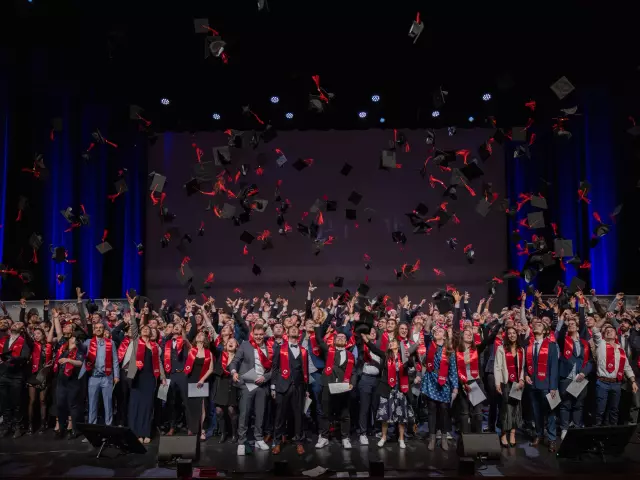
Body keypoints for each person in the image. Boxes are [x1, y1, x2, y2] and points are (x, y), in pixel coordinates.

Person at [313, 313, 356, 450]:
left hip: (343, 387)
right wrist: (330, 315)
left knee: (345, 414)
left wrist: (352, 383)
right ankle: (324, 437)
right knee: (326, 413)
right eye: (339, 337)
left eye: (344, 337)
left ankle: (345, 438)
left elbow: (354, 372)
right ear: (335, 339)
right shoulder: (328, 350)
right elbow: (319, 338)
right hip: (327, 385)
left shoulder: (350, 356)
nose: (341, 338)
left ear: (347, 341)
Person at [363, 333, 414, 448]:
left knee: (401, 416)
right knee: (384, 415)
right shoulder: (386, 355)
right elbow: (375, 350)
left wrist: (409, 357)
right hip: (388, 389)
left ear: (398, 345)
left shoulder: (404, 356)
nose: (391, 343)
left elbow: (411, 365)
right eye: (390, 342)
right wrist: (367, 341)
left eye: (393, 341)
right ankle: (383, 437)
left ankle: (401, 439)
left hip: (401, 389)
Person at [229, 324, 273, 456]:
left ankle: (259, 438)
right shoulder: (245, 345)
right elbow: (235, 361)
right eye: (257, 334)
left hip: (262, 384)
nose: (259, 337)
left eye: (261, 334)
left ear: (264, 334)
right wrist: (234, 371)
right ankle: (242, 442)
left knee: (260, 413)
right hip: (248, 382)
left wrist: (265, 377)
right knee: (245, 413)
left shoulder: (270, 347)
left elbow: (274, 369)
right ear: (253, 334)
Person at [270, 325, 309, 455]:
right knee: (280, 416)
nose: (293, 330)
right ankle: (277, 442)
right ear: (287, 332)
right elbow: (275, 368)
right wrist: (273, 386)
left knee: (298, 415)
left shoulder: (303, 350)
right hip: (282, 386)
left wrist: (306, 389)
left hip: (298, 387)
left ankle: (299, 442)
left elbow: (305, 371)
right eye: (291, 329)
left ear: (299, 334)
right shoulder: (280, 349)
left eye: (296, 329)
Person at [592, 323, 638, 426]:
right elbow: (595, 330)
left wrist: (633, 381)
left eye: (612, 330)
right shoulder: (601, 344)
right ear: (604, 335)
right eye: (607, 331)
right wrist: (605, 319)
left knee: (614, 410)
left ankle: (613, 432)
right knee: (600, 410)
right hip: (602, 382)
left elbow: (627, 367)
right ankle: (596, 433)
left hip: (616, 384)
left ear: (616, 335)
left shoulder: (621, 351)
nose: (609, 331)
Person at [524, 320, 559, 452]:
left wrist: (554, 386)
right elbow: (525, 365)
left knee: (550, 412)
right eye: (535, 324)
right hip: (532, 384)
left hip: (547, 384)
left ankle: (551, 439)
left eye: (540, 325)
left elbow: (554, 367)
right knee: (536, 412)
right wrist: (526, 374)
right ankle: (539, 434)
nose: (536, 325)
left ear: (545, 331)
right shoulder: (529, 345)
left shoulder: (551, 346)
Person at [556, 312, 591, 440]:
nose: (570, 325)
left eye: (573, 324)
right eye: (569, 324)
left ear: (577, 327)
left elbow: (590, 361)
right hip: (566, 378)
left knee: (578, 405)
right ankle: (564, 428)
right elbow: (559, 334)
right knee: (565, 404)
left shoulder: (584, 343)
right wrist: (563, 321)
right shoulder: (563, 340)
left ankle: (576, 427)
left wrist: (584, 372)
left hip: (580, 378)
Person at [78, 320, 120, 426]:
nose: (98, 329)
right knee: (92, 404)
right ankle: (92, 428)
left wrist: (116, 375)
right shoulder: (88, 342)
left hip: (107, 377)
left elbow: (115, 360)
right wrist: (78, 342)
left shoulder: (110, 343)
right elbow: (82, 349)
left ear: (104, 329)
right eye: (96, 327)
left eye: (100, 327)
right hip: (93, 377)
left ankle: (109, 427)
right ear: (94, 330)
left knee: (108, 404)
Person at [128, 323, 164, 443]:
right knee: (136, 406)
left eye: (147, 329)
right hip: (137, 377)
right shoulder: (137, 342)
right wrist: (133, 311)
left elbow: (159, 362)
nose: (145, 330)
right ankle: (136, 433)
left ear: (151, 333)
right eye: (143, 329)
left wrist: (162, 377)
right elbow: (134, 328)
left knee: (148, 407)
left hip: (149, 378)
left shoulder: (154, 346)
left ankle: (146, 432)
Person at [52, 311, 84, 439]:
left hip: (73, 380)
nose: (65, 327)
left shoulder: (78, 347)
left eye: (68, 326)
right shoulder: (62, 344)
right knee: (60, 405)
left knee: (72, 405)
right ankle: (61, 429)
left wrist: (68, 360)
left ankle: (74, 429)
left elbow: (81, 363)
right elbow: (59, 332)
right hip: (61, 379)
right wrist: (55, 318)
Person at [494, 326, 525, 447]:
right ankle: (503, 434)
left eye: (514, 333)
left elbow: (522, 367)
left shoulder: (521, 349)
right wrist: (497, 383)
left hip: (517, 383)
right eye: (510, 333)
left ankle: (512, 433)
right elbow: (497, 366)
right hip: (505, 382)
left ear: (517, 335)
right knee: (505, 409)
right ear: (507, 336)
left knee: (516, 408)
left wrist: (522, 379)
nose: (512, 335)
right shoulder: (501, 349)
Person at [0, 320, 31, 438]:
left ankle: (18, 427)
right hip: (3, 375)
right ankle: (8, 426)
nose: (15, 325)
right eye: (15, 323)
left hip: (16, 376)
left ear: (22, 330)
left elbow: (25, 357)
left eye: (19, 324)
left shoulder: (24, 342)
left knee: (17, 403)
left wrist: (12, 359)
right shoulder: (3, 340)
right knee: (4, 403)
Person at [24, 322, 54, 434]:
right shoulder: (32, 344)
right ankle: (31, 425)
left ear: (43, 335)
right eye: (34, 334)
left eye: (38, 333)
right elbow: (27, 337)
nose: (36, 335)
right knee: (32, 400)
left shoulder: (48, 345)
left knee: (42, 400)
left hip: (44, 374)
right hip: (33, 375)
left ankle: (43, 424)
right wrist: (24, 330)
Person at [356, 326, 380, 445]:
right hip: (365, 378)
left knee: (375, 407)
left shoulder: (380, 346)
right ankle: (363, 433)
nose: (373, 333)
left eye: (375, 332)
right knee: (364, 408)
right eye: (371, 332)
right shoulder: (362, 346)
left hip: (378, 380)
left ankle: (374, 429)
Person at [213, 337, 239, 443]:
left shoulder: (238, 358)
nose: (231, 343)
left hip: (232, 386)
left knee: (231, 411)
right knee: (219, 411)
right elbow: (217, 370)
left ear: (237, 346)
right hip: (221, 385)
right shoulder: (221, 355)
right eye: (229, 342)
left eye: (233, 342)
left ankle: (234, 433)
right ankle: (223, 433)